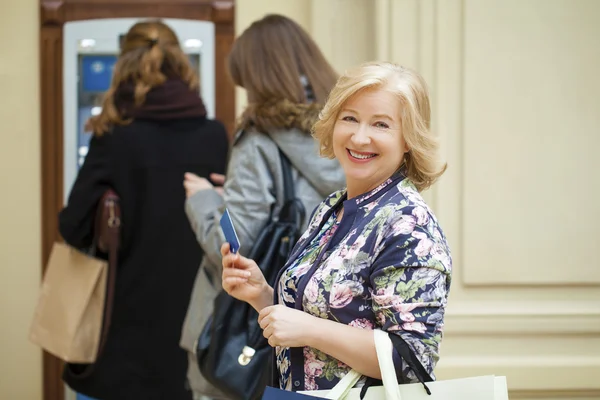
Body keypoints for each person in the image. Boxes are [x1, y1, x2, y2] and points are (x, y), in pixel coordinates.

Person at [219, 61, 452, 392]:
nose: (359, 137)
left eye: (381, 124)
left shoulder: (408, 226)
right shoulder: (331, 209)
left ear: (408, 140)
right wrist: (261, 294)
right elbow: (314, 319)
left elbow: (411, 360)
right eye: (350, 118)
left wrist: (310, 329)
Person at [58, 20, 229, 400]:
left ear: (124, 66)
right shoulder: (214, 134)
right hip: (196, 333)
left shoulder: (114, 137)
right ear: (182, 64)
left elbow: (73, 228)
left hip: (125, 333)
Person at [179, 14, 345, 400]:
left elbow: (236, 249)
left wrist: (204, 199)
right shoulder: (347, 132)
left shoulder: (259, 138)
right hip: (321, 333)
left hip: (247, 333)